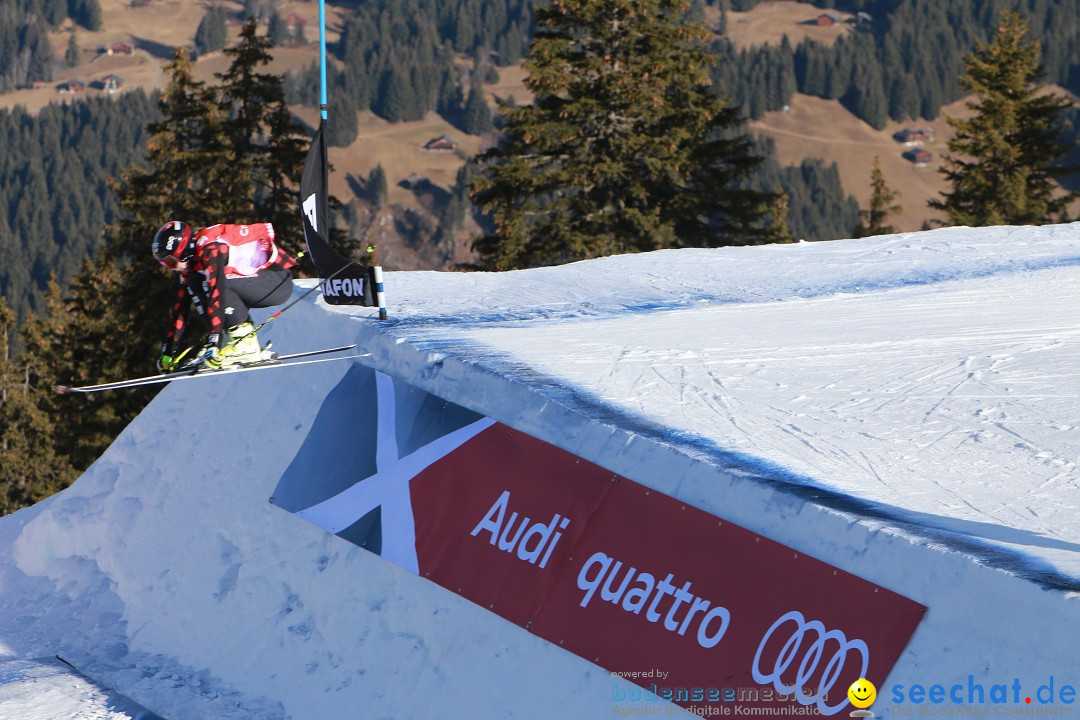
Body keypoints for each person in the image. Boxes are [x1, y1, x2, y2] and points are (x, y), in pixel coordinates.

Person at [152, 220, 297, 372]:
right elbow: (181, 307)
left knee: (214, 281)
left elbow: (216, 291)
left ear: (184, 251)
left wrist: (214, 339)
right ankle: (229, 339)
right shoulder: (191, 262)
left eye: (170, 262)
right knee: (194, 281)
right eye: (164, 264)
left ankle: (245, 344)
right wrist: (168, 350)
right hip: (256, 281)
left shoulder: (210, 246)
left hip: (277, 281)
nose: (171, 268)